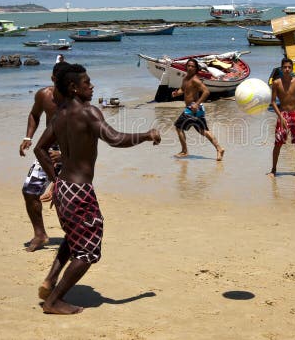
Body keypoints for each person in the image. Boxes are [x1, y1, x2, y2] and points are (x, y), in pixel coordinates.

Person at [34, 63, 161, 315]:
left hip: (64, 188)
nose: (92, 86)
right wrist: (146, 135)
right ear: (73, 87)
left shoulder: (59, 114)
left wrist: (55, 179)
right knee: (88, 251)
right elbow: (114, 139)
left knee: (74, 237)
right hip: (80, 191)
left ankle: (50, 280)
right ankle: (54, 301)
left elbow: (39, 148)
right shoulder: (88, 112)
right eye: (86, 83)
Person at [18, 62, 67, 252]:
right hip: (47, 148)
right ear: (53, 79)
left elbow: (86, 134)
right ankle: (40, 234)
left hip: (72, 150)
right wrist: (28, 136)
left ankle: (74, 238)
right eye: (59, 80)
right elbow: (34, 114)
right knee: (30, 191)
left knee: (65, 196)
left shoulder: (78, 100)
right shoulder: (44, 95)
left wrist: (65, 155)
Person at [171, 58, 225, 161]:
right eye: (189, 66)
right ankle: (219, 148)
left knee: (178, 127)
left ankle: (184, 151)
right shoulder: (186, 78)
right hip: (195, 109)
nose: (190, 68)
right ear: (186, 67)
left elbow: (206, 92)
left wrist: (197, 104)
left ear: (196, 69)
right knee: (203, 131)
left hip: (192, 108)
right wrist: (177, 93)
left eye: (192, 66)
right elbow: (183, 89)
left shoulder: (195, 80)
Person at [269, 58, 295, 177]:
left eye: (289, 67)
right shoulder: (276, 83)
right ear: (281, 69)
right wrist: (280, 117)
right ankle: (273, 170)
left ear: (292, 69)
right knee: (278, 143)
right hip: (283, 115)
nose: (287, 69)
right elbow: (272, 102)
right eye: (285, 67)